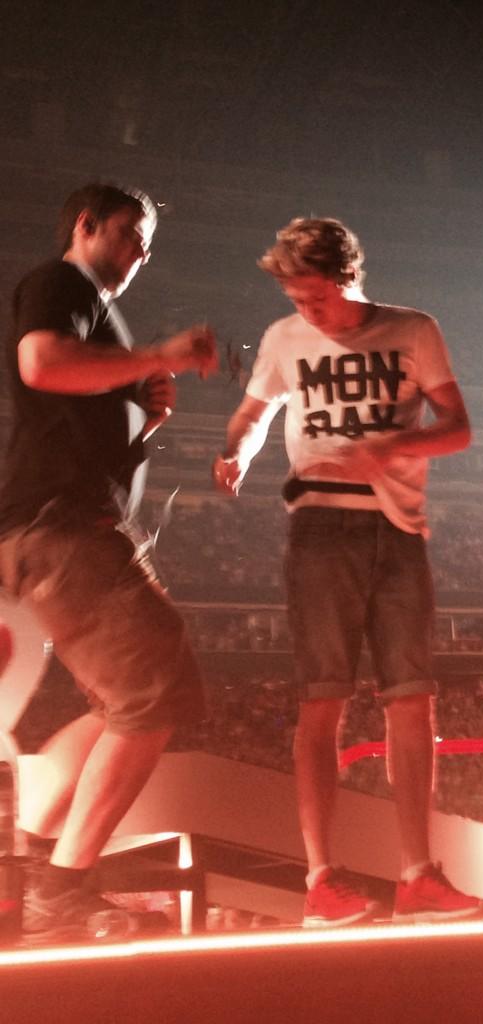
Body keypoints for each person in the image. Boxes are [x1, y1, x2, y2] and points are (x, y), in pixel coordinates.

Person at [213, 217, 483, 926]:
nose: (307, 311)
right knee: (322, 700)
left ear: (347, 278)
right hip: (320, 528)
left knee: (412, 700)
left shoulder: (413, 330)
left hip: (398, 528)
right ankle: (321, 880)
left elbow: (459, 427)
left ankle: (418, 875)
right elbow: (253, 413)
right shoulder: (283, 338)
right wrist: (237, 451)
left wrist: (390, 447)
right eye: (296, 300)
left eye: (317, 297)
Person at [0, 183, 218, 942]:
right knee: (157, 687)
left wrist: (145, 416)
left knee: (121, 704)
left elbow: (80, 431)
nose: (140, 254)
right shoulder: (61, 284)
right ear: (86, 225)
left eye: (147, 246)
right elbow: (40, 362)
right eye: (130, 235)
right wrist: (158, 354)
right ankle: (59, 889)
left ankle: (33, 857)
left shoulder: (98, 317)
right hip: (62, 530)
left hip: (54, 528)